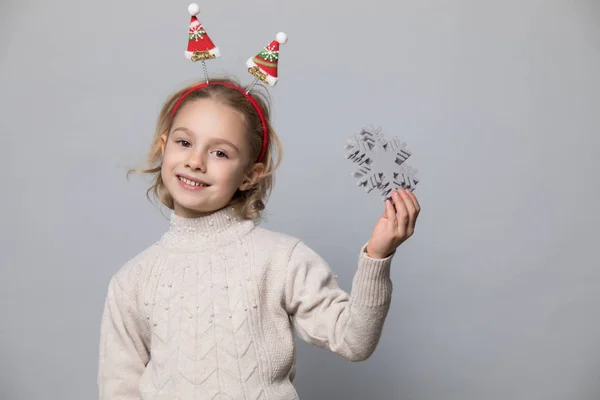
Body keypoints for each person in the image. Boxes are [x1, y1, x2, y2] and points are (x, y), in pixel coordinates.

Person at [97, 76, 421, 399]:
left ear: (250, 176)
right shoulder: (132, 281)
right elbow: (119, 388)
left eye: (220, 153)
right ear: (162, 146)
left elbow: (354, 340)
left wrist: (377, 256)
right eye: (184, 143)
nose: (195, 162)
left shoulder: (282, 259)